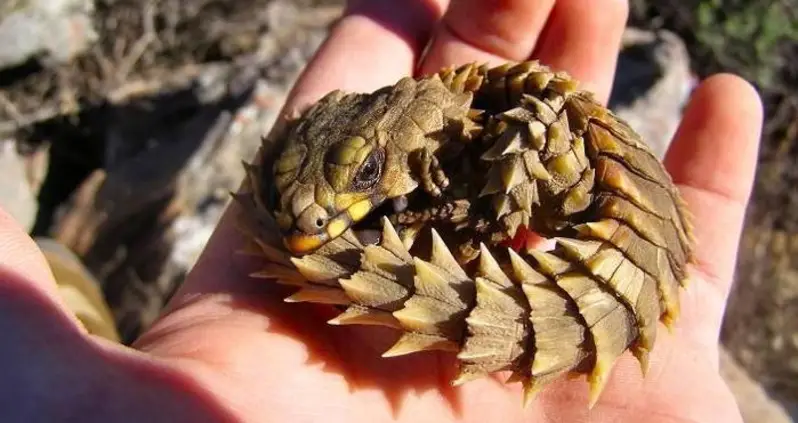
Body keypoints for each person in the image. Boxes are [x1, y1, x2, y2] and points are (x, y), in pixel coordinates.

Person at [0, 1, 763, 421]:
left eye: (366, 171)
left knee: (529, 142)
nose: (312, 224)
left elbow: (525, 164)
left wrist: (465, 215)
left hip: (620, 263)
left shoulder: (490, 123)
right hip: (593, 267)